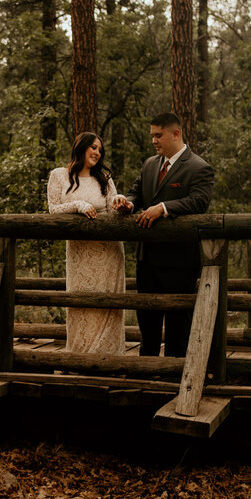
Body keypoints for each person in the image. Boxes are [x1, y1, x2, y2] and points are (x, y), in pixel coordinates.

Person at [111, 112, 214, 358]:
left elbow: (199, 202)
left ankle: (173, 376)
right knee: (147, 320)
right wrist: (128, 203)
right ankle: (147, 372)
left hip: (179, 261)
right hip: (147, 258)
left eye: (158, 135)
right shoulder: (150, 164)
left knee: (178, 323)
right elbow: (138, 193)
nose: (154, 141)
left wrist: (164, 208)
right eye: (152, 136)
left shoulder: (199, 167)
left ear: (175, 134)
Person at [46, 132, 127, 354]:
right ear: (80, 147)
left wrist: (122, 203)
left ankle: (108, 357)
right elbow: (53, 208)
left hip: (107, 251)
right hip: (79, 252)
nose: (97, 153)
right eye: (93, 147)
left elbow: (113, 206)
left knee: (107, 302)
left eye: (100, 150)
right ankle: (80, 355)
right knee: (80, 300)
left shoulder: (104, 178)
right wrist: (78, 205)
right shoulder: (60, 176)